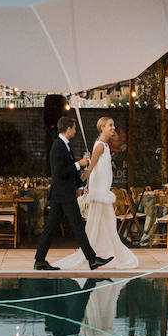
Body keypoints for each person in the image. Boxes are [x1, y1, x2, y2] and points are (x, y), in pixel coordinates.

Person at [55, 115, 138, 271]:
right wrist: (83, 182)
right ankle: (100, 256)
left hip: (102, 192)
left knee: (105, 224)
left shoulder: (105, 145)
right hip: (99, 193)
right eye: (110, 125)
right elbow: (91, 168)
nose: (113, 128)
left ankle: (101, 254)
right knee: (103, 224)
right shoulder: (100, 145)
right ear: (103, 128)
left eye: (113, 125)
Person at [34, 115, 112, 272]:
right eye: (74, 128)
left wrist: (81, 186)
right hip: (62, 195)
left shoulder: (65, 146)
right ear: (68, 129)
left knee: (55, 227)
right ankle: (92, 260)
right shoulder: (58, 147)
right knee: (77, 226)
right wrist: (79, 164)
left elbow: (70, 172)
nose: (76, 131)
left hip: (63, 194)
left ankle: (40, 260)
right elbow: (59, 173)